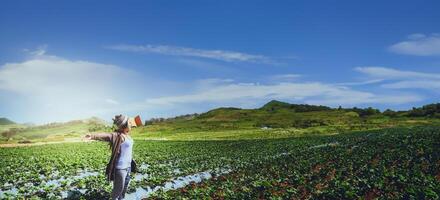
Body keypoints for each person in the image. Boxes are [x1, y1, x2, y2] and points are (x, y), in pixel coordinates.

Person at [84, 114, 135, 200]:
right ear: (124, 125)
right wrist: (93, 136)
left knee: (124, 189)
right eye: (129, 123)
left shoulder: (128, 136)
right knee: (118, 190)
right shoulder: (118, 136)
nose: (131, 124)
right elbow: (107, 136)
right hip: (121, 169)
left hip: (128, 167)